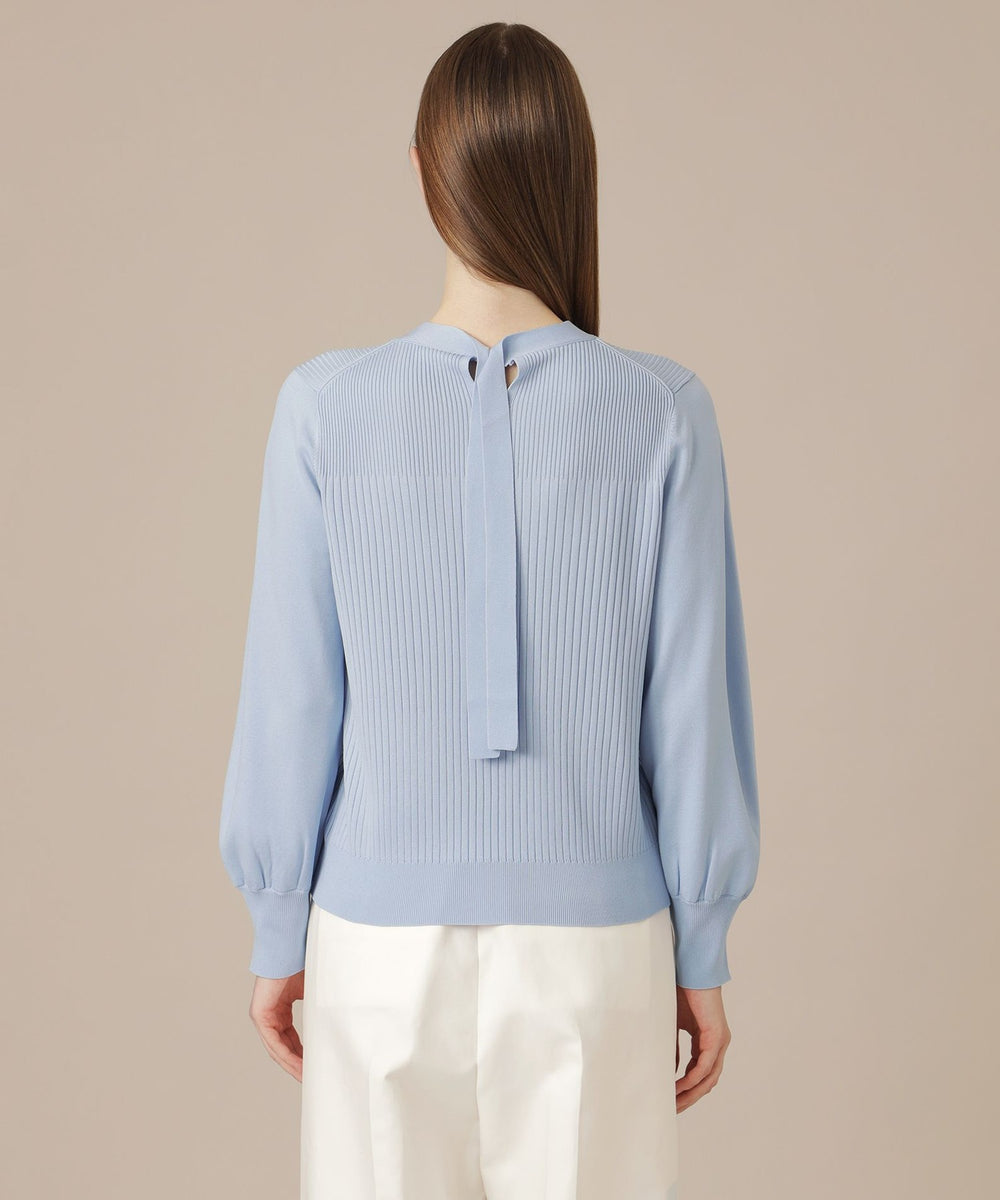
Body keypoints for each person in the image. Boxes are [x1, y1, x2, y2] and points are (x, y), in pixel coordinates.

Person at [218, 20, 761, 1200]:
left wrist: (276, 928)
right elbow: (691, 715)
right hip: (598, 957)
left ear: (423, 170)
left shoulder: (322, 408)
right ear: (574, 174)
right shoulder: (662, 410)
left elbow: (291, 699)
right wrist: (703, 950)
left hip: (373, 954)